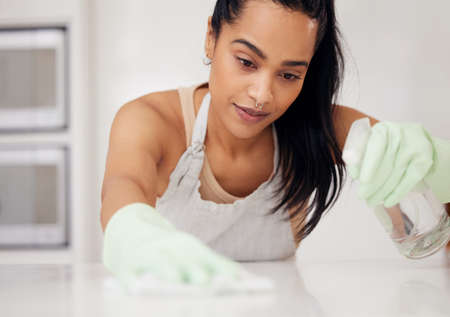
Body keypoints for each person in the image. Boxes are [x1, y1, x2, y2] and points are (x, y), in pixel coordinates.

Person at [100, 0, 450, 290]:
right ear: (211, 37)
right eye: (247, 62)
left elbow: (424, 200)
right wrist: (133, 234)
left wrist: (435, 164)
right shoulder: (151, 121)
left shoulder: (325, 129)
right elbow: (123, 186)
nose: (262, 95)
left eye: (289, 75)